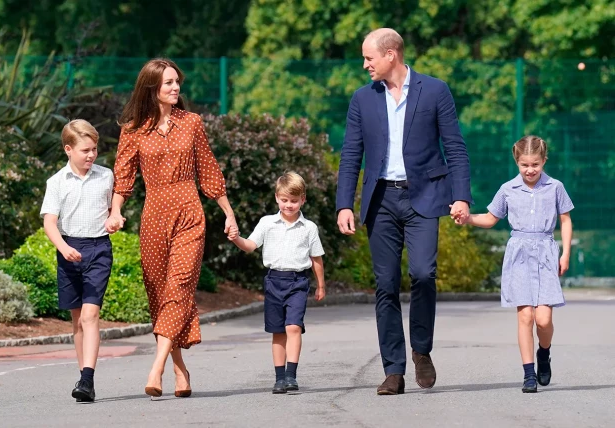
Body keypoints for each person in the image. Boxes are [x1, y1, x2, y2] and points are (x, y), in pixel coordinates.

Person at [336, 28, 473, 395]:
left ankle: (422, 350)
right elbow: (351, 154)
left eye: (369, 57)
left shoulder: (435, 90)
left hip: (425, 197)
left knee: (424, 274)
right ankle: (393, 370)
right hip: (380, 200)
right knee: (385, 285)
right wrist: (344, 204)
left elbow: (455, 147)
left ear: (391, 55)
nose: (365, 65)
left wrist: (461, 196)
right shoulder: (362, 99)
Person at [106, 58, 238, 398]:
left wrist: (228, 212)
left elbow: (208, 170)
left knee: (179, 287)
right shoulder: (133, 129)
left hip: (189, 212)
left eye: (177, 82)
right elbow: (123, 178)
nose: (176, 87)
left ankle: (157, 367)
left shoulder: (191, 123)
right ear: (152, 88)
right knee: (161, 294)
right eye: (168, 83)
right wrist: (116, 212)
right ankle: (181, 371)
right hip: (153, 217)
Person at [454, 135, 573, 393]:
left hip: (545, 253)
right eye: (525, 165)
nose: (530, 170)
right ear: (517, 162)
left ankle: (544, 353)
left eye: (535, 165)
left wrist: (564, 254)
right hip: (518, 254)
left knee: (543, 320)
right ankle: (529, 374)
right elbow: (490, 217)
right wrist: (467, 219)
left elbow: (565, 219)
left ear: (544, 161)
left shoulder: (555, 187)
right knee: (525, 316)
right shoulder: (508, 189)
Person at [230, 172, 326, 394]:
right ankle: (280, 378)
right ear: (277, 198)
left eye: (294, 200)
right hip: (274, 281)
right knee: (278, 332)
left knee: (293, 327)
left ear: (303, 199)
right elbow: (251, 245)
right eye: (284, 200)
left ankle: (292, 375)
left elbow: (316, 258)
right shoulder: (267, 223)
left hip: (298, 282)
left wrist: (320, 285)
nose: (289, 205)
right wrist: (236, 238)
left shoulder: (309, 228)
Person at [41, 119, 116, 402]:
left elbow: (113, 208)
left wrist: (115, 217)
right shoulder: (57, 182)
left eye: (95, 149)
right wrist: (62, 247)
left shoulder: (105, 176)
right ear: (68, 150)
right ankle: (85, 379)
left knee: (90, 315)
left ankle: (87, 379)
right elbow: (50, 222)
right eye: (85, 150)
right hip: (69, 249)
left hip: (98, 249)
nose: (91, 155)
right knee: (77, 322)